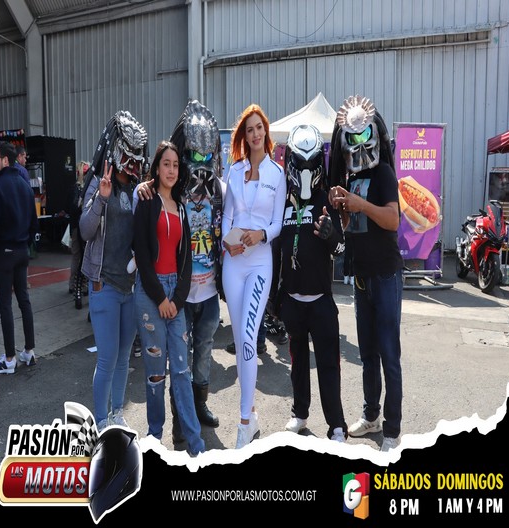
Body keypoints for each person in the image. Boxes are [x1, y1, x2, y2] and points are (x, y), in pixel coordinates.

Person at [328, 94, 404, 452]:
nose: (358, 143)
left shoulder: (384, 173)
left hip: (386, 275)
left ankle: (392, 429)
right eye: (351, 138)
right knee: (368, 355)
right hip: (361, 278)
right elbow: (353, 226)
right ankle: (371, 415)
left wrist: (361, 204)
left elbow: (392, 219)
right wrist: (344, 207)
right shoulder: (352, 176)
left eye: (363, 135)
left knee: (389, 355)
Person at [276, 124, 349, 443]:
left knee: (329, 366)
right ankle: (300, 412)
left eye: (311, 164)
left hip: (321, 302)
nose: (305, 171)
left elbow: (342, 249)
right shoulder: (282, 202)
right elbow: (275, 248)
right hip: (292, 300)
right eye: (300, 164)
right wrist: (275, 296)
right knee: (298, 364)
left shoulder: (327, 199)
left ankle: (337, 425)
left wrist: (332, 236)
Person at [133, 140, 205, 456]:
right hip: (150, 295)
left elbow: (186, 261)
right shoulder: (146, 200)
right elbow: (142, 254)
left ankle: (196, 444)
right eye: (166, 164)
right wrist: (161, 298)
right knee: (155, 374)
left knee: (181, 371)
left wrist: (176, 299)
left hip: (175, 295)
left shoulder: (182, 207)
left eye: (176, 165)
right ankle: (154, 439)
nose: (172, 170)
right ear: (157, 167)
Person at [221, 103, 287, 449]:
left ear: (266, 132)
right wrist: (225, 241)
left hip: (260, 263)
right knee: (240, 338)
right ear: (244, 137)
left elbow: (277, 223)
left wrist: (261, 235)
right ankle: (252, 412)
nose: (256, 134)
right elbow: (227, 216)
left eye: (259, 127)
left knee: (248, 338)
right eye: (250, 130)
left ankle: (244, 422)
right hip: (233, 264)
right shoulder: (234, 171)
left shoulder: (277, 173)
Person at [79, 110, 148, 431]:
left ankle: (117, 413)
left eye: (136, 155)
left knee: (123, 358)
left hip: (130, 287)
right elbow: (85, 230)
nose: (131, 162)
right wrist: (101, 199)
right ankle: (101, 421)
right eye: (127, 153)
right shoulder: (98, 182)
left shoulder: (137, 189)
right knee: (107, 359)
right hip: (103, 285)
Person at [0, 141, 38, 374]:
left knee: (5, 305)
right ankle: (29, 351)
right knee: (24, 301)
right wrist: (25, 244)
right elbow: (34, 223)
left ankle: (9, 359)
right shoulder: (25, 186)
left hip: (5, 253)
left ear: (5, 160)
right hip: (22, 251)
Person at [68, 160, 90, 308]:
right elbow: (73, 207)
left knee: (84, 257)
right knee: (78, 257)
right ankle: (74, 285)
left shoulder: (86, 188)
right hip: (78, 227)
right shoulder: (76, 188)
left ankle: (82, 285)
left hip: (84, 226)